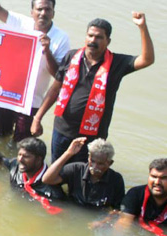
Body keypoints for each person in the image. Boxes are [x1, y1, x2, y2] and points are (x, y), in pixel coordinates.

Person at [31, 13, 155, 163]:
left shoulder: (117, 63)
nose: (92, 40)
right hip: (62, 130)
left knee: (83, 177)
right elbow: (55, 89)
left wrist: (142, 27)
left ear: (108, 41)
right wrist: (37, 118)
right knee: (57, 172)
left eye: (98, 37)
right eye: (90, 35)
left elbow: (147, 60)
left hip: (92, 136)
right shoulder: (71, 56)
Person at [0, 0, 71, 141]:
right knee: (0, 134)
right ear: (32, 12)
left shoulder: (61, 38)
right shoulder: (20, 22)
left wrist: (47, 51)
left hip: (32, 100)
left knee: (23, 141)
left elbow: (59, 76)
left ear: (53, 13)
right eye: (39, 9)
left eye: (48, 9)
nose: (43, 13)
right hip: (7, 92)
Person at [41, 137, 125, 210]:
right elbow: (47, 179)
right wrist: (68, 153)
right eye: (92, 161)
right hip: (73, 208)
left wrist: (102, 222)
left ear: (110, 163)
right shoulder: (76, 169)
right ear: (88, 157)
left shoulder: (116, 179)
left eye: (100, 164)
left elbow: (118, 209)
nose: (94, 166)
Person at [0, 134, 65, 205]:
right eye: (19, 154)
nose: (20, 159)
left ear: (39, 159)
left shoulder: (52, 190)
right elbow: (0, 159)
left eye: (26, 156)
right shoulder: (15, 166)